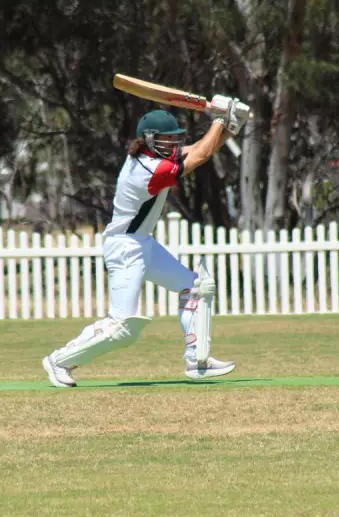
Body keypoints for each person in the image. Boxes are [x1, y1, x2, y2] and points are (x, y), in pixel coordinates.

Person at [42, 98, 251, 388]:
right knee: (122, 328)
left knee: (197, 288)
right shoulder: (148, 171)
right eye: (167, 139)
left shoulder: (151, 158)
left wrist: (230, 124)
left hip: (142, 243)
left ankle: (197, 361)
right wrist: (218, 119)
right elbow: (200, 156)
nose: (174, 144)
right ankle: (59, 360)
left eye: (175, 139)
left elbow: (200, 149)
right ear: (150, 140)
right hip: (125, 248)